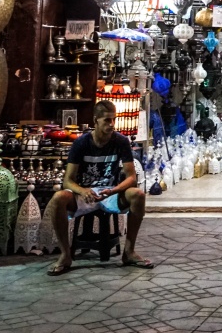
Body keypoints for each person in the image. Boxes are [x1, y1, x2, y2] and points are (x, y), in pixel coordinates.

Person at [46, 100, 151, 276]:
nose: (111, 125)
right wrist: (82, 190)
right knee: (58, 198)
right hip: (84, 195)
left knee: (138, 194)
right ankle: (65, 255)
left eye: (113, 120)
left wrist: (113, 190)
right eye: (107, 121)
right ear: (96, 120)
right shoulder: (81, 143)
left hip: (110, 194)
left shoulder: (121, 141)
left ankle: (129, 252)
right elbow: (68, 181)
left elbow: (131, 177)